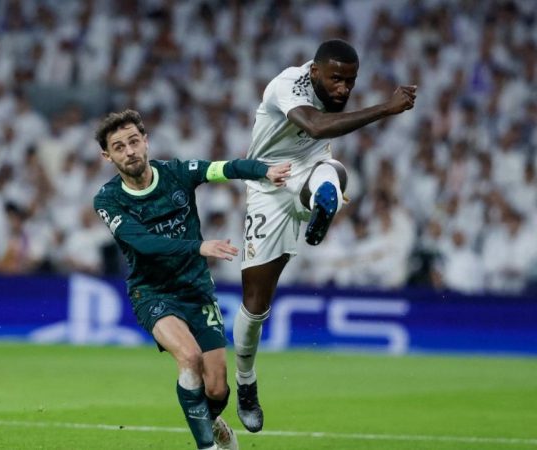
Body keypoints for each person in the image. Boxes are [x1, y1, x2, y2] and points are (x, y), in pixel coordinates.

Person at [232, 39, 417, 432]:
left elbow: (323, 129)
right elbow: (315, 125)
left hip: (309, 167)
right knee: (255, 303)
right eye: (336, 80)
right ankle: (245, 381)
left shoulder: (331, 85)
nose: (344, 89)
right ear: (314, 71)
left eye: (351, 81)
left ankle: (322, 202)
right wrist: (385, 108)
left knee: (334, 173)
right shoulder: (287, 84)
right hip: (267, 182)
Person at [93, 109, 290, 450]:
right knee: (189, 357)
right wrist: (198, 247)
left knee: (217, 389)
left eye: (134, 142)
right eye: (119, 147)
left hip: (196, 289)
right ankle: (207, 447)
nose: (130, 152)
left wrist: (264, 171)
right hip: (152, 292)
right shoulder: (108, 200)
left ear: (146, 141)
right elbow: (144, 243)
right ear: (107, 156)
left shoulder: (177, 173)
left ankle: (210, 420)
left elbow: (225, 168)